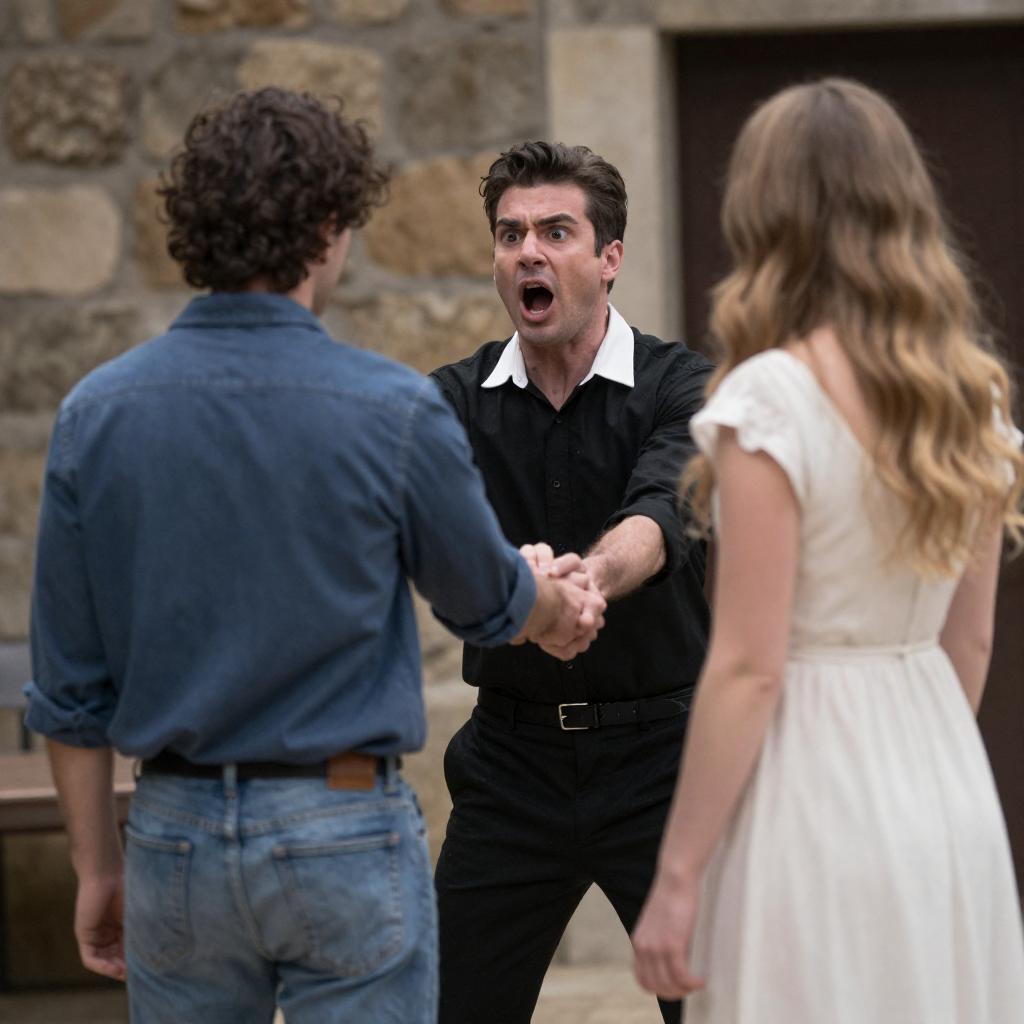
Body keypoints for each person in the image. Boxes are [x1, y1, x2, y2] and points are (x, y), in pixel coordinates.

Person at [23, 88, 606, 1024]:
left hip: (173, 830)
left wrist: (97, 866)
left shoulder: (96, 413)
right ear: (330, 228)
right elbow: (485, 601)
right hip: (342, 826)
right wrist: (555, 601)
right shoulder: (388, 408)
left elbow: (68, 686)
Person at [631, 78, 1024, 1023]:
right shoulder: (968, 395)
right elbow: (968, 643)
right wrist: (914, 760)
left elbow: (749, 666)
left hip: (808, 793)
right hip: (944, 788)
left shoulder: (771, 398)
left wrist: (678, 875)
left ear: (765, 212)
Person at [430, 141, 713, 1024]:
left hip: (665, 760)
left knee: (724, 1007)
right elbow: (437, 552)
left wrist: (575, 584)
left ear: (609, 257)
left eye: (556, 232)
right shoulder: (450, 403)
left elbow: (664, 515)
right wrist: (516, 594)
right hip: (511, 764)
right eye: (510, 234)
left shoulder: (682, 385)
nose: (529, 252)